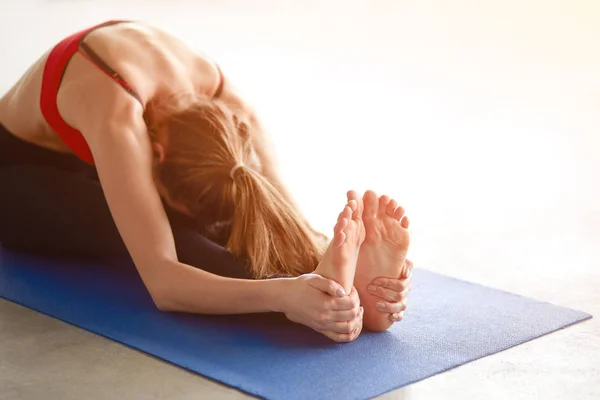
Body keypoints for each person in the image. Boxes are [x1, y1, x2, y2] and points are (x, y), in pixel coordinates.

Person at [0, 20, 411, 342]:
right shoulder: (116, 113)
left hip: (98, 149)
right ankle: (314, 296)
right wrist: (281, 296)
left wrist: (330, 252)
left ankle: (333, 287)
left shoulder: (227, 106)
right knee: (166, 232)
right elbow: (164, 282)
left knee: (237, 200)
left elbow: (278, 208)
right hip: (17, 182)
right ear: (154, 155)